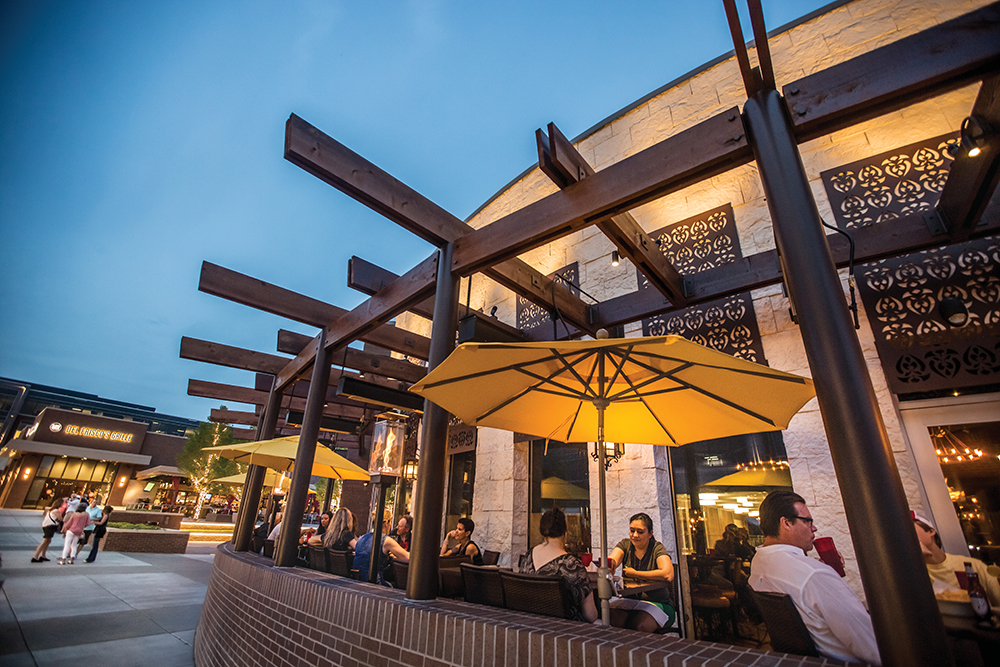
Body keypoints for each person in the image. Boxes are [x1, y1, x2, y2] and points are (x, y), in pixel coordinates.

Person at [749, 490, 880, 665]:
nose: (814, 527)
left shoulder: (758, 562)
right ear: (786, 523)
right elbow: (872, 647)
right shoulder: (814, 575)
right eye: (808, 521)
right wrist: (823, 574)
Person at [518, 507, 598, 623]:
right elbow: (591, 615)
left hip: (531, 625)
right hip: (566, 632)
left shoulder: (528, 556)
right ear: (565, 532)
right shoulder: (572, 565)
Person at [912, 510, 1000, 606]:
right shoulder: (910, 574)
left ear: (930, 531)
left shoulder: (973, 566)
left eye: (910, 527)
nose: (906, 534)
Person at [607, 512, 675, 632]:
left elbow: (668, 574)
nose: (635, 535)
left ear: (650, 533)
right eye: (632, 530)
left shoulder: (656, 548)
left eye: (640, 531)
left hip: (659, 603)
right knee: (610, 620)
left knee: (639, 626)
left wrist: (635, 574)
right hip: (630, 602)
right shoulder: (625, 545)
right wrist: (611, 564)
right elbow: (613, 559)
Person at [355, 510, 409, 585]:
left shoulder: (362, 538)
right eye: (390, 522)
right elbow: (408, 557)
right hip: (375, 583)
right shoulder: (386, 541)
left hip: (356, 581)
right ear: (386, 523)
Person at [59, 501, 93, 565]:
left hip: (71, 530)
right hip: (79, 531)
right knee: (74, 545)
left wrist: (65, 529)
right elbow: (88, 523)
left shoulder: (74, 514)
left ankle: (63, 560)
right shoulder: (86, 514)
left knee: (67, 545)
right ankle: (72, 560)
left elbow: (69, 523)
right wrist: (82, 526)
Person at [32, 497, 64, 563]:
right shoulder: (57, 511)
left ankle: (43, 555)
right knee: (45, 542)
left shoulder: (50, 510)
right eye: (62, 503)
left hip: (46, 526)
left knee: (48, 541)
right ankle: (35, 557)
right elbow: (61, 519)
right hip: (50, 527)